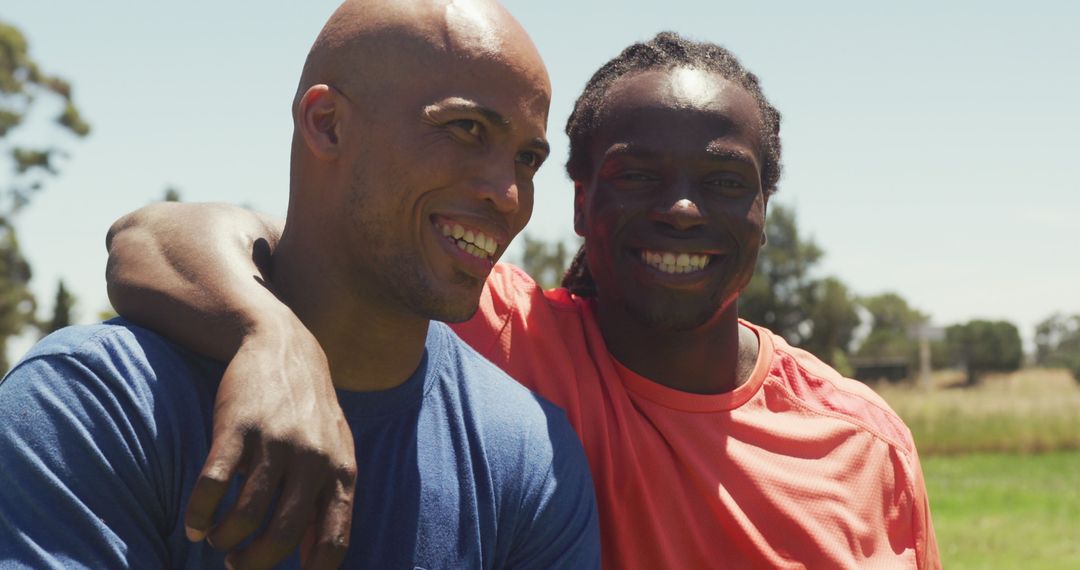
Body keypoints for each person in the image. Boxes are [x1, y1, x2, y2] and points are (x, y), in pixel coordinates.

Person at [103, 31, 941, 569]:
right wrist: (268, 334)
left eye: (725, 182)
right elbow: (153, 236)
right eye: (638, 176)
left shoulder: (863, 442)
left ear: (762, 212)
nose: (682, 209)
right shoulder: (503, 331)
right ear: (579, 205)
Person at [0, 1, 601, 568]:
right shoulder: (94, 401)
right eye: (467, 128)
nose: (509, 193)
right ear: (327, 124)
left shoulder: (530, 458)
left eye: (527, 159)